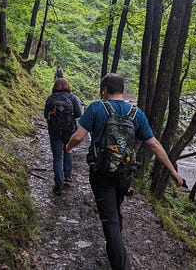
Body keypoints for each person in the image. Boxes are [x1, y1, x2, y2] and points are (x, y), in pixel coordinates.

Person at [65, 73, 184, 270]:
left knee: (109, 219)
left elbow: (78, 137)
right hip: (125, 172)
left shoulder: (97, 107)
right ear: (121, 89)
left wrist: (68, 148)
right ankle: (116, 246)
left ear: (105, 89)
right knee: (116, 209)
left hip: (101, 172)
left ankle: (121, 262)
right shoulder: (136, 113)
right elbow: (153, 144)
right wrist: (173, 172)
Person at [44, 78, 82, 195]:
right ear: (67, 86)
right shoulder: (73, 98)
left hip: (55, 130)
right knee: (68, 149)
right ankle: (68, 174)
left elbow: (46, 115)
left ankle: (58, 185)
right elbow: (78, 114)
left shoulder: (51, 98)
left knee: (57, 157)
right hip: (69, 130)